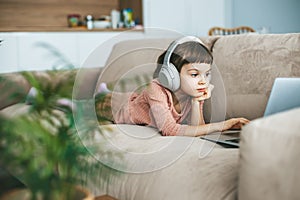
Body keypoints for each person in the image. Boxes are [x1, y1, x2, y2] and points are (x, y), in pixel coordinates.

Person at [95, 36, 249, 136]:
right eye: (195, 74)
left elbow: (197, 128)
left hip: (134, 100)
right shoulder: (155, 88)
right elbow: (169, 130)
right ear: (171, 74)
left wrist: (196, 103)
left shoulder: (193, 92)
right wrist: (224, 125)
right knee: (89, 106)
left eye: (207, 74)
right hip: (117, 107)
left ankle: (105, 91)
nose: (203, 81)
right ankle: (103, 93)